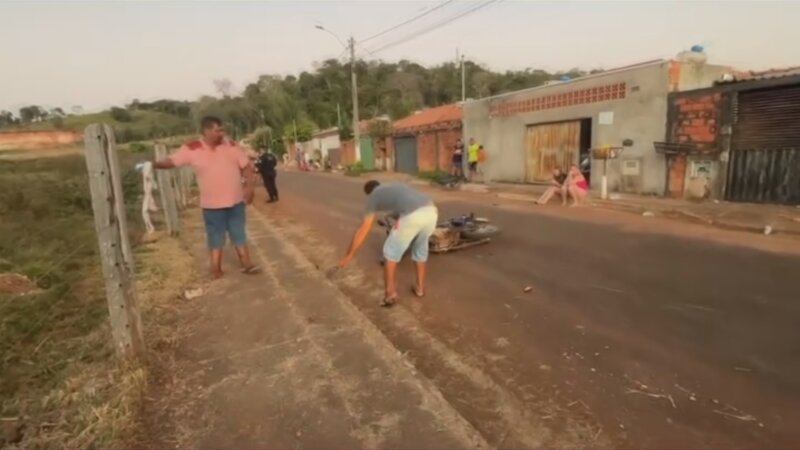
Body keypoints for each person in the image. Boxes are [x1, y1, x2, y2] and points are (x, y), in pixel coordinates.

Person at [152, 116, 259, 279]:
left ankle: (247, 263)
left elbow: (246, 167)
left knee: (239, 233)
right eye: (218, 130)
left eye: (222, 129)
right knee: (215, 237)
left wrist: (249, 188)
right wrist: (152, 164)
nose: (221, 134)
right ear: (206, 131)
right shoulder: (192, 149)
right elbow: (172, 162)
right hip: (212, 205)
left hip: (236, 201)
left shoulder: (231, 145)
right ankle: (215, 269)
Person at [337, 181, 438, 307]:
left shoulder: (373, 196)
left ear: (369, 192)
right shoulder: (397, 186)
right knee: (420, 250)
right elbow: (406, 204)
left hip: (412, 216)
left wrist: (349, 255)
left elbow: (364, 228)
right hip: (431, 211)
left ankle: (390, 294)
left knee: (390, 254)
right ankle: (420, 288)